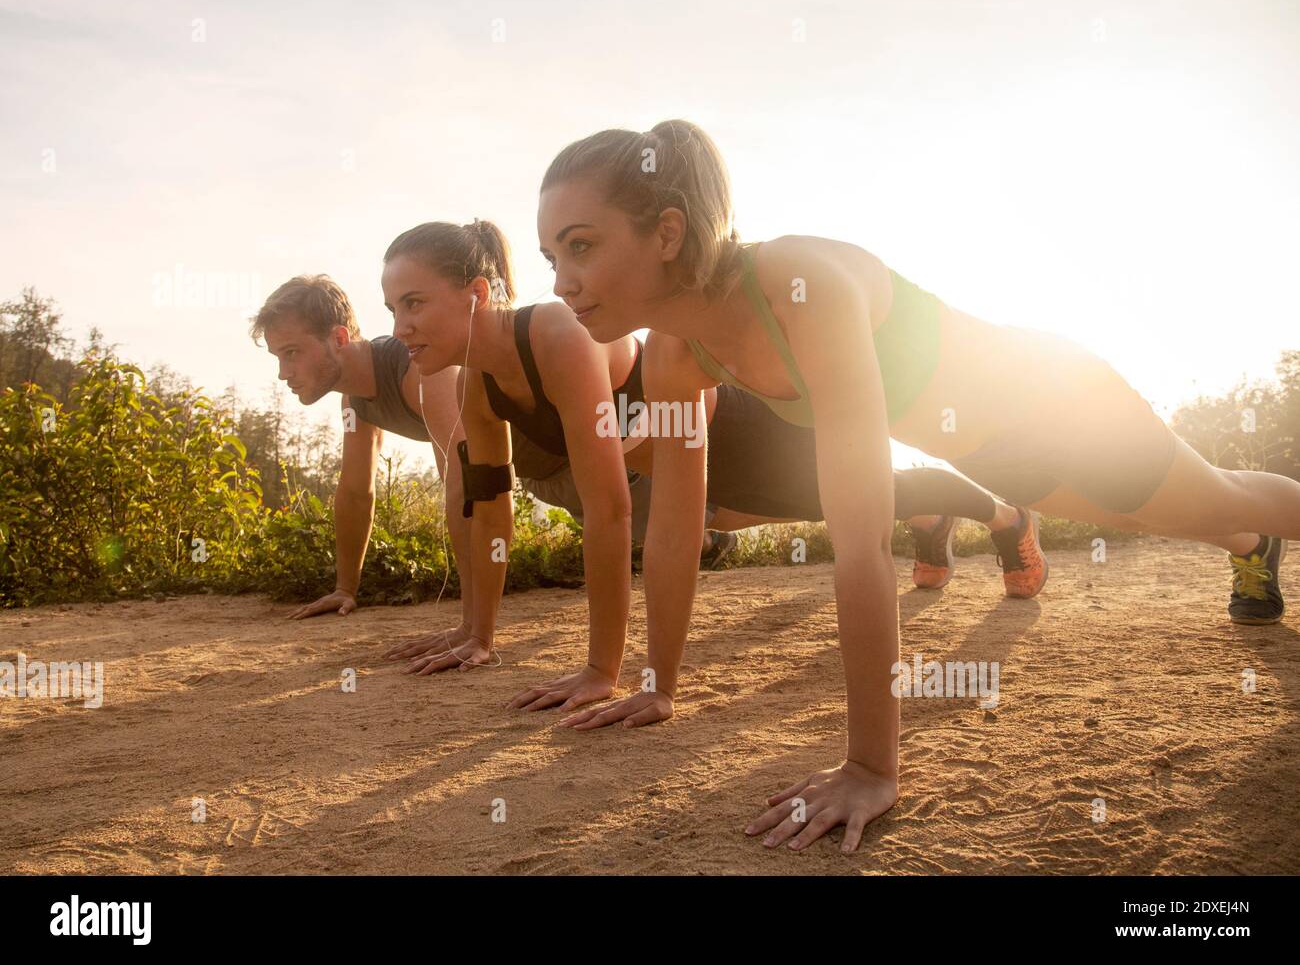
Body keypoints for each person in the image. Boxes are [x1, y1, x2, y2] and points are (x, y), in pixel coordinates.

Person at [534, 119, 1298, 852]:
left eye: (581, 247)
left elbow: (862, 534)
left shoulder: (800, 282)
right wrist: (658, 683)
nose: (563, 282)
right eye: (550, 258)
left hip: (1061, 405)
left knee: (1217, 497)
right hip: (999, 459)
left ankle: (1250, 531)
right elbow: (671, 526)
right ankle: (1249, 544)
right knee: (1162, 517)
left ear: (666, 233)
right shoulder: (677, 354)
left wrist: (871, 765)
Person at [378, 220, 1044, 710]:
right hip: (685, 477)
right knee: (845, 501)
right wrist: (478, 632)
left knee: (862, 492)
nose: (401, 326)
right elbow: (487, 505)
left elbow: (608, 507)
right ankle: (931, 522)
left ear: (473, 293)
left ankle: (1008, 516)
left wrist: (600, 669)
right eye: (392, 309)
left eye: (414, 303)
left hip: (734, 431)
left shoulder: (554, 332)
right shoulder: (478, 383)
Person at [250, 275, 481, 658]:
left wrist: (472, 629)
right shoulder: (355, 400)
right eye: (278, 357)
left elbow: (466, 482)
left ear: (339, 338)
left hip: (570, 438)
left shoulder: (422, 368)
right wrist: (345, 588)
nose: (282, 373)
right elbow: (356, 491)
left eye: (291, 353)